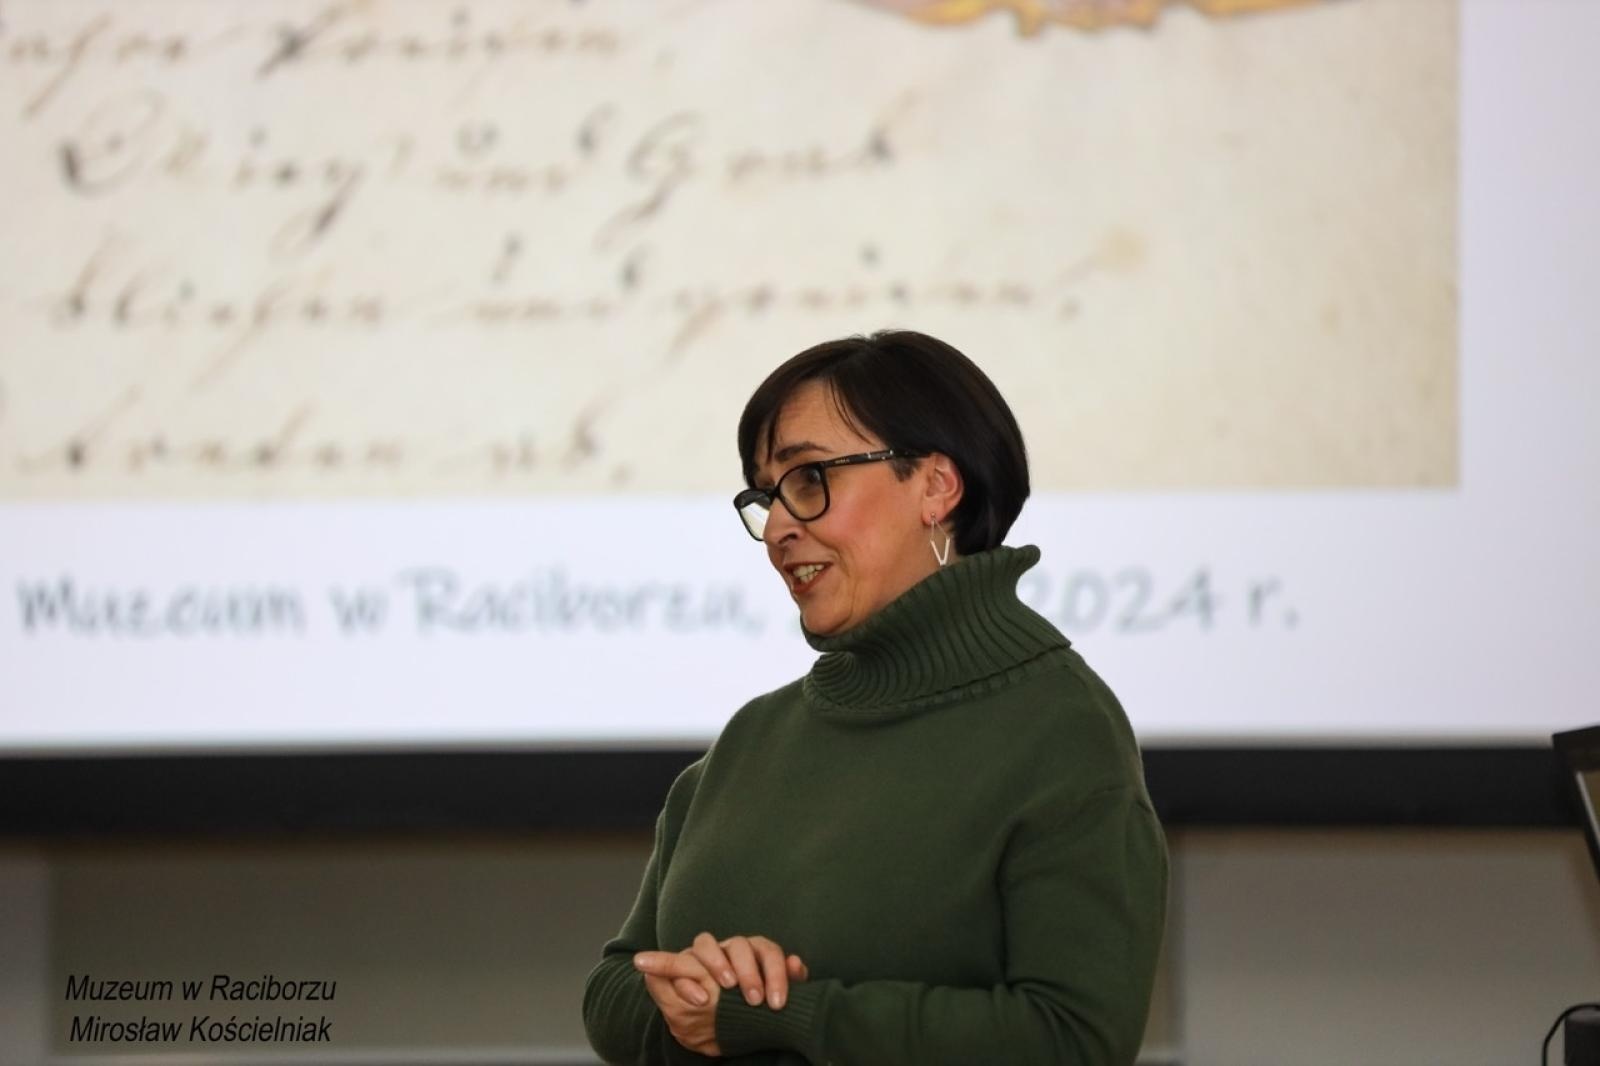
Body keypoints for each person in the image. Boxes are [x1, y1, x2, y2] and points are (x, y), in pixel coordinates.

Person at [582, 329, 1168, 1065]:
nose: (780, 529)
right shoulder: (754, 738)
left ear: (936, 486)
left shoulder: (1060, 729)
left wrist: (792, 1015)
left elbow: (1072, 1038)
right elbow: (615, 989)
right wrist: (692, 992)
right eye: (768, 496)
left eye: (808, 479)